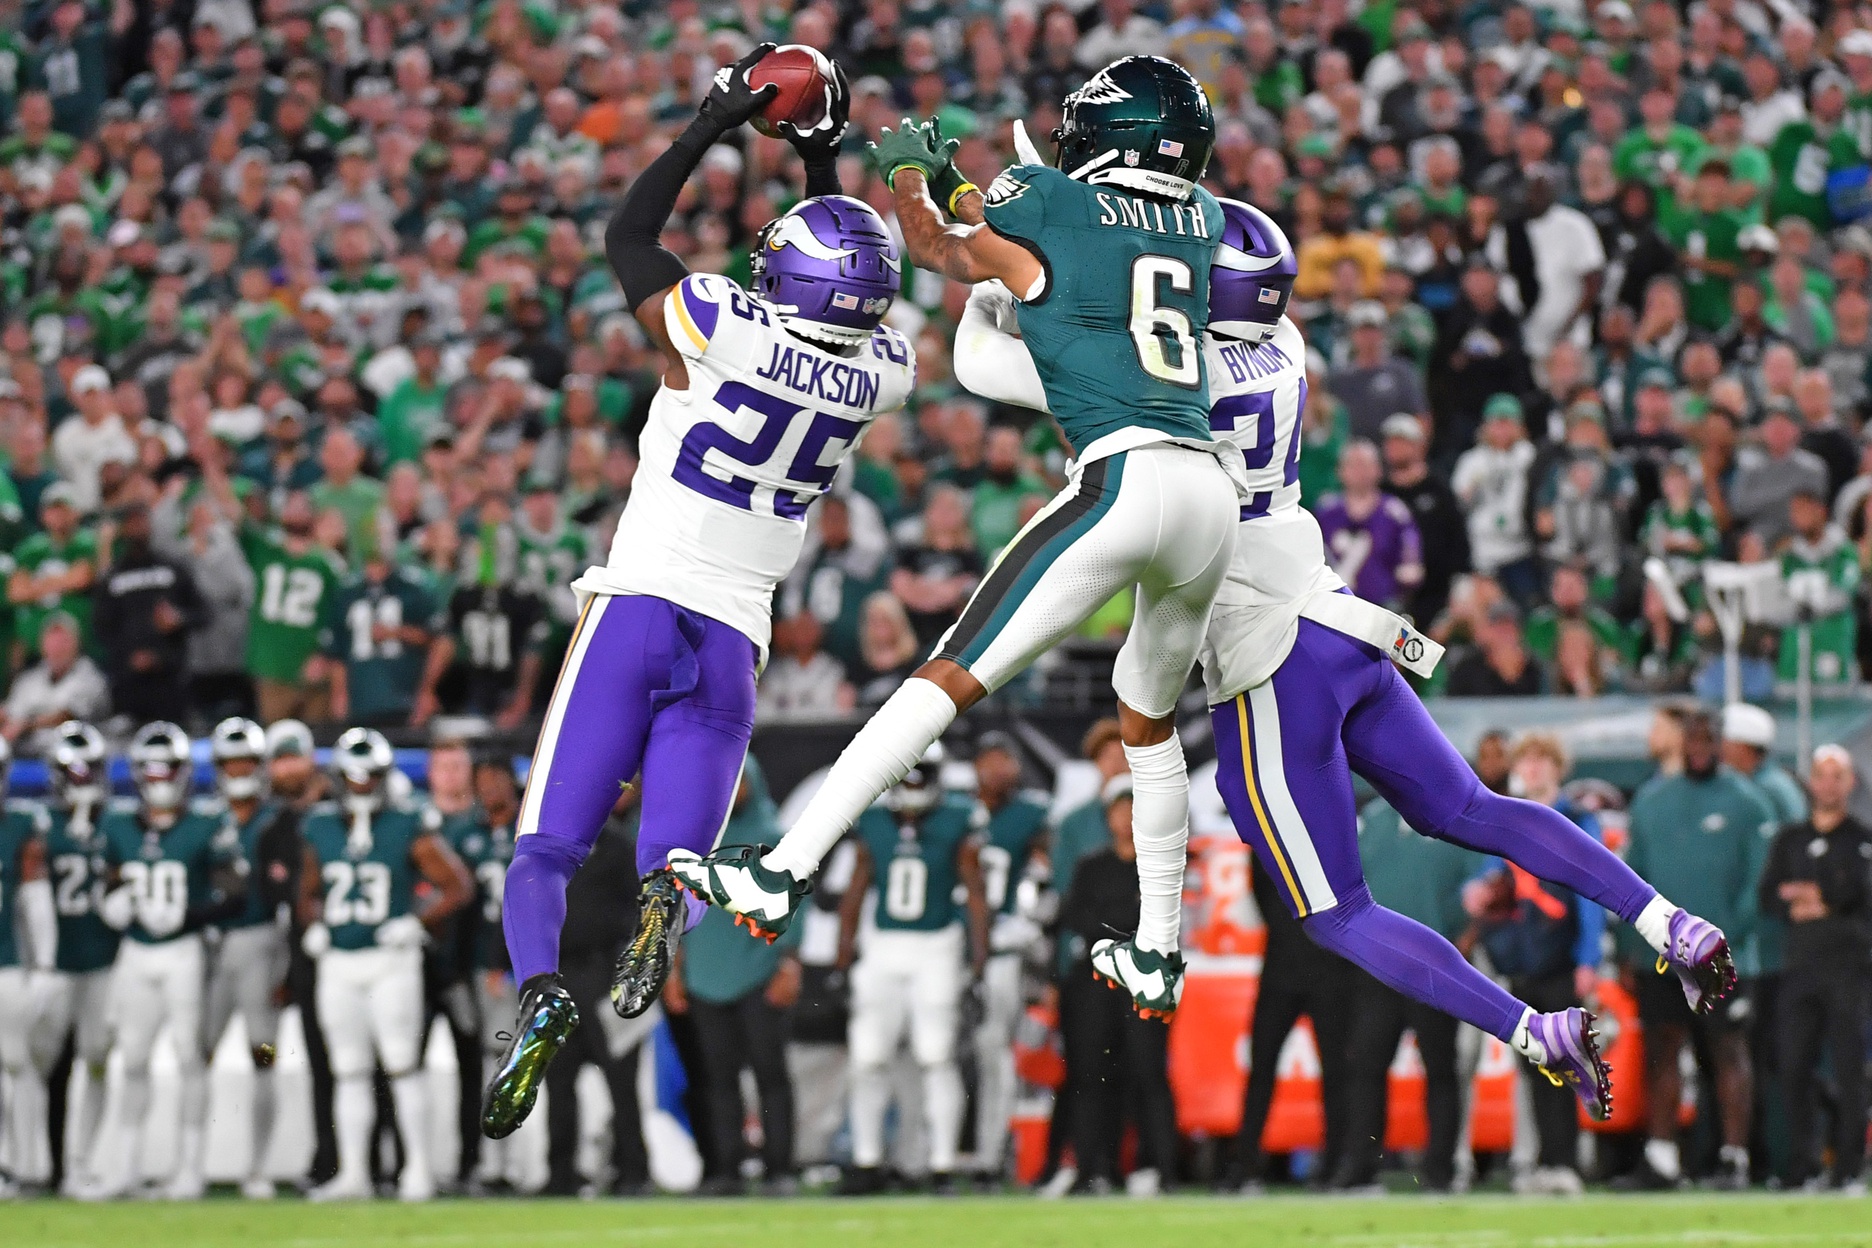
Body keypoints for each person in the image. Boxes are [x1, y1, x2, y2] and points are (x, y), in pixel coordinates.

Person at [956, 200, 1736, 1122]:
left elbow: (985, 360)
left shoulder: (1167, 373)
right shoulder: (1284, 343)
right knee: (1471, 809)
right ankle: (1663, 920)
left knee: (1337, 912)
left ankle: (1535, 1032)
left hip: (1263, 657)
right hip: (1340, 623)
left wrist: (997, 271)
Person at [675, 57, 1245, 1028]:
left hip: (1125, 478)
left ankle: (783, 870)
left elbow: (945, 251)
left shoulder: (1055, 201)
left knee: (946, 678)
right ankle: (1158, 950)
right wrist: (976, 205)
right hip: (1207, 494)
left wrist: (908, 178)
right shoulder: (1202, 221)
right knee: (1147, 730)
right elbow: (1037, 269)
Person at [486, 48, 915, 1136]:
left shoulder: (724, 324)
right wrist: (820, 155)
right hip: (735, 636)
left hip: (640, 602)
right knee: (672, 858)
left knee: (544, 850)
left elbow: (630, 239)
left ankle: (540, 992)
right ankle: (660, 915)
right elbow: (844, 271)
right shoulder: (883, 370)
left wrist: (707, 128)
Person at [297, 728, 473, 1201]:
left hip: (391, 960)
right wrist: (313, 922)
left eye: (368, 776)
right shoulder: (320, 826)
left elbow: (458, 885)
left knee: (401, 1065)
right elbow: (307, 891)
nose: (360, 786)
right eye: (352, 777)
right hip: (338, 962)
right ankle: (354, 1173)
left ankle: (418, 1171)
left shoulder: (406, 823)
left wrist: (415, 921)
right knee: (349, 1070)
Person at [1623, 706, 1774, 1189]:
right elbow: (1632, 877)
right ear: (1681, 743)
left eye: (1708, 739)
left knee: (1728, 1050)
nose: (1699, 748)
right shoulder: (1651, 801)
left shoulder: (1748, 803)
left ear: (1721, 743)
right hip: (1661, 955)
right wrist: (1631, 946)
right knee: (1663, 1050)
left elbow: (1759, 885)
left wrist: (1723, 939)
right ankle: (1663, 1157)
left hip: (1721, 957)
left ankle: (1734, 1158)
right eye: (1692, 739)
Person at [94, 723, 246, 1200]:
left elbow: (236, 892)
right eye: (151, 769)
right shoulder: (118, 823)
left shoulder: (205, 824)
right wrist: (109, 900)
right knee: (132, 1059)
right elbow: (109, 876)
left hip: (184, 951)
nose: (159, 779)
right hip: (136, 953)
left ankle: (190, 1167)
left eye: (167, 769)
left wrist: (189, 914)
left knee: (188, 1058)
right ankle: (125, 1166)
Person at [833, 746, 989, 1192]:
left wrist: (977, 965)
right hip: (883, 947)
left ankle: (941, 1163)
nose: (914, 786)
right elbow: (855, 892)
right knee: (867, 1057)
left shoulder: (959, 816)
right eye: (909, 776)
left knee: (937, 1056)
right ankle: (866, 1161)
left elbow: (975, 895)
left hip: (937, 946)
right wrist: (843, 961)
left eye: (922, 776)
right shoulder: (875, 818)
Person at [1467, 734, 1606, 1196]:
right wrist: (1480, 895)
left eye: (1542, 759)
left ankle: (1565, 1159)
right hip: (1520, 956)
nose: (1533, 767)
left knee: (1564, 1063)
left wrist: (1588, 957)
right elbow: (1485, 880)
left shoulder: (1578, 819)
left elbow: (1592, 891)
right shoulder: (1504, 816)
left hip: (1560, 958)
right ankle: (1545, 1158)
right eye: (1526, 758)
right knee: (1535, 1064)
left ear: (1557, 766)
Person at [1332, 797, 1480, 1193]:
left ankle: (1440, 1170)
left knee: (1440, 1067)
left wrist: (1464, 938)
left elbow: (1481, 890)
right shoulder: (1372, 821)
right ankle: (1362, 1167)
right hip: (1378, 966)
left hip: (1434, 965)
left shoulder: (1449, 815)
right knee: (1366, 1066)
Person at [665, 761, 799, 1195]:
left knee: (769, 1075)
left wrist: (789, 962)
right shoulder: (698, 841)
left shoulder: (775, 835)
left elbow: (795, 901)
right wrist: (676, 967)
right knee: (716, 1080)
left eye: (740, 779)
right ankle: (726, 1170)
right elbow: (680, 907)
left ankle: (779, 1170)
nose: (732, 789)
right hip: (705, 970)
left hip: (760, 971)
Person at [1057, 778, 1177, 1196]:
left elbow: (1158, 925)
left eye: (1132, 807)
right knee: (1091, 1075)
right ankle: (1094, 1169)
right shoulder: (1092, 866)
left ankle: (1162, 1169)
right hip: (1099, 982)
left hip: (1144, 984)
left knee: (1148, 1074)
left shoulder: (1160, 866)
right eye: (1118, 809)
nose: (1125, 818)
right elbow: (1076, 917)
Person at [1758, 745, 1870, 1193]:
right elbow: (1769, 895)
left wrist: (1820, 897)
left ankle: (1849, 1169)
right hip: (1800, 967)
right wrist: (1815, 899)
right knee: (1794, 1066)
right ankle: (1803, 1164)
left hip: (1849, 969)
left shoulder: (1861, 838)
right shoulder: (1790, 839)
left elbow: (1860, 893)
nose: (1827, 783)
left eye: (1836, 774)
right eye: (1820, 774)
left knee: (1849, 1069)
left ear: (1850, 783)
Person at [200, 716, 302, 1200]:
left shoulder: (277, 822)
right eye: (231, 762)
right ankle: (189, 1161)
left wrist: (285, 967)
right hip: (211, 949)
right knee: (196, 1052)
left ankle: (258, 1166)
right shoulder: (204, 820)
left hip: (261, 944)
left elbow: (287, 901)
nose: (239, 770)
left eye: (246, 762)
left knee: (263, 1053)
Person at [30, 722, 115, 1196]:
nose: (83, 781)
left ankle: (82, 1162)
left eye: (90, 771)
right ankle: (45, 1162)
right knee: (45, 1067)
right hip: (54, 966)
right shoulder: (37, 825)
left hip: (104, 961)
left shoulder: (119, 823)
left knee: (97, 1061)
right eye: (75, 771)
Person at [969, 731, 1050, 1180]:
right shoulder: (957, 812)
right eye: (991, 758)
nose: (1000, 768)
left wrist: (1033, 919)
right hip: (952, 945)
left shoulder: (1032, 815)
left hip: (1002, 947)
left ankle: (990, 1153)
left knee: (995, 1050)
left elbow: (1046, 870)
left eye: (1007, 759)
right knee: (931, 1053)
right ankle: (921, 1158)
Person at [450, 754, 522, 1188]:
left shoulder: (530, 832)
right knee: (492, 1062)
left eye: (496, 778)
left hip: (524, 965)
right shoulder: (466, 836)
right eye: (483, 779)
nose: (490, 788)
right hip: (480, 966)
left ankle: (509, 1164)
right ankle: (496, 1161)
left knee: (512, 1062)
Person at [92, 501, 208, 724]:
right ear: (123, 528)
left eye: (142, 521)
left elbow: (203, 612)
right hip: (128, 683)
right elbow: (101, 627)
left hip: (171, 680)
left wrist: (179, 618)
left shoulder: (172, 568)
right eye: (132, 522)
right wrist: (128, 657)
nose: (138, 527)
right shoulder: (113, 577)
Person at [0, 738, 52, 1193]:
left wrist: (45, 965)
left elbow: (37, 902)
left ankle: (23, 1165)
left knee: (15, 1066)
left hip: (7, 964)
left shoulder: (19, 827)